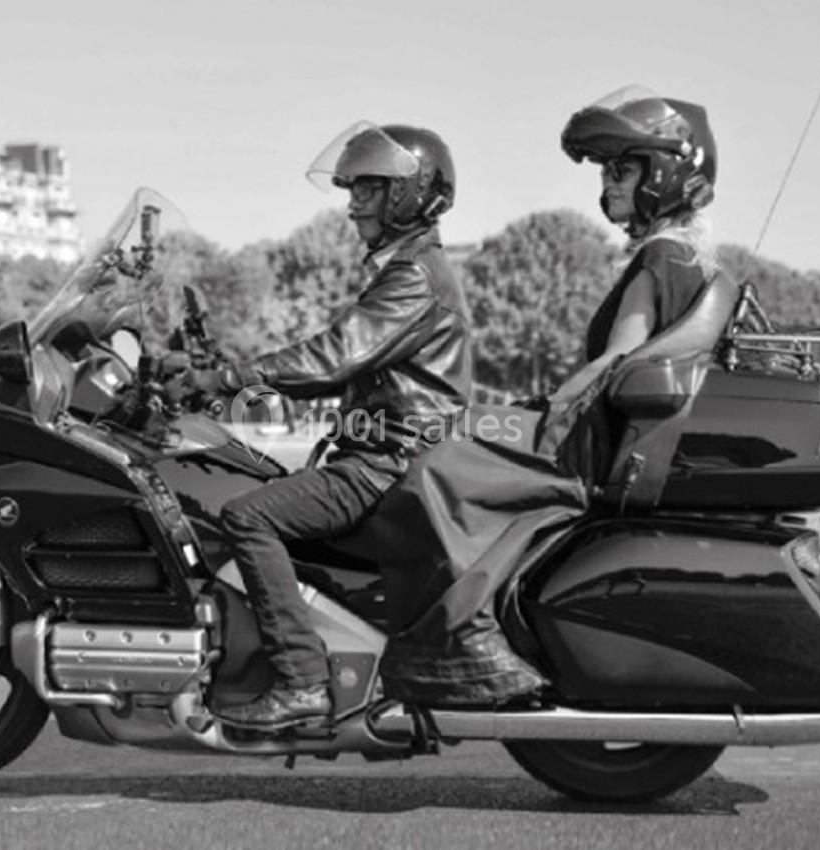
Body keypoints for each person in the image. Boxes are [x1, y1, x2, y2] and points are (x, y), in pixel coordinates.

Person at [373, 86, 724, 706]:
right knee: (460, 426)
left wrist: (538, 418)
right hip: (591, 433)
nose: (609, 182)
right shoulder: (680, 257)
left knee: (438, 455)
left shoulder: (663, 258)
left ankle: (467, 637)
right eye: (608, 170)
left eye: (623, 168)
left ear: (666, 172)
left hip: (580, 443)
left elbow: (618, 360)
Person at [185, 122, 472, 728]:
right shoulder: (408, 270)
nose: (351, 206)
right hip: (388, 456)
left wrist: (229, 379)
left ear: (407, 195)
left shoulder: (414, 277)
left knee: (246, 514)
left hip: (386, 466)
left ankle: (301, 681)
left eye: (368, 190)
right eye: (352, 190)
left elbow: (332, 357)